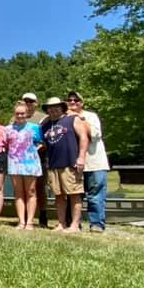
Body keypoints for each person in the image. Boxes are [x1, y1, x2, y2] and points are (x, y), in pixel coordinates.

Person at [41, 97, 90, 233]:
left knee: (74, 194)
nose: (53, 109)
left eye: (56, 106)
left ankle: (74, 225)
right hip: (53, 164)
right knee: (58, 195)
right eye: (50, 107)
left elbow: (84, 137)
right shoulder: (45, 125)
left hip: (70, 163)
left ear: (62, 107)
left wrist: (81, 157)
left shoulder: (72, 119)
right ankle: (61, 223)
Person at [67, 91, 110, 233]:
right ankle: (73, 224)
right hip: (73, 164)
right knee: (73, 195)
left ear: (82, 103)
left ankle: (96, 224)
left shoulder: (91, 116)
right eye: (70, 100)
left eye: (76, 100)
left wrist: (79, 118)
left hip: (94, 163)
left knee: (95, 195)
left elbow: (95, 135)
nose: (73, 102)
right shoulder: (64, 118)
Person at [8, 102, 44, 229]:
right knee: (18, 193)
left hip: (31, 163)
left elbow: (41, 142)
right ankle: (21, 221)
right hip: (14, 164)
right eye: (17, 113)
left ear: (27, 113)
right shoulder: (8, 129)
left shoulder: (34, 127)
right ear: (14, 114)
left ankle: (30, 221)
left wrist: (32, 151)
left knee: (31, 192)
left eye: (22, 113)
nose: (20, 115)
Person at [21, 92, 49, 228]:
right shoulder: (16, 117)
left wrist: (41, 146)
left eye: (31, 101)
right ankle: (25, 215)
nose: (28, 104)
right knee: (23, 188)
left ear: (36, 103)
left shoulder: (43, 118)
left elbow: (47, 138)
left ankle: (43, 215)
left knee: (39, 188)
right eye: (25, 101)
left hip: (40, 158)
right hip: (21, 160)